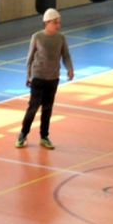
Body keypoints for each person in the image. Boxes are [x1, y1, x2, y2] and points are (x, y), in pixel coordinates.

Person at [15, 8, 74, 150]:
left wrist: (69, 69)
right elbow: (29, 58)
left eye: (59, 23)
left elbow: (65, 55)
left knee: (47, 108)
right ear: (47, 23)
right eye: (55, 23)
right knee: (33, 107)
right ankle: (23, 134)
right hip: (38, 77)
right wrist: (28, 75)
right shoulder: (37, 37)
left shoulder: (61, 38)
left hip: (53, 78)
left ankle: (44, 136)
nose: (58, 25)